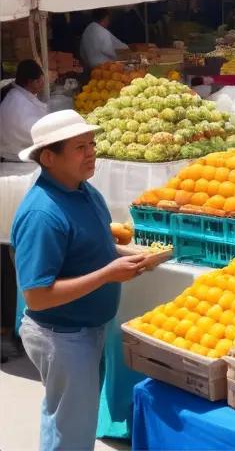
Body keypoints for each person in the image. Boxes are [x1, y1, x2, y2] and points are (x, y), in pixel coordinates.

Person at [12, 110, 151, 451]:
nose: (91, 152)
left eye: (91, 143)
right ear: (49, 157)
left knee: (63, 420)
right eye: (78, 147)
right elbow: (37, 296)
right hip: (62, 337)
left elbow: (90, 250)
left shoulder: (84, 191)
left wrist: (122, 259)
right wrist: (108, 274)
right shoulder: (42, 214)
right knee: (72, 432)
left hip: (86, 329)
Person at [1, 60, 48, 163]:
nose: (42, 84)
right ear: (29, 82)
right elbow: (34, 130)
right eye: (38, 82)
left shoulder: (16, 92)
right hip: (15, 155)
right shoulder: (17, 104)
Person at [78, 8, 128, 76]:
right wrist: (120, 58)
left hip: (91, 68)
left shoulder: (87, 30)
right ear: (106, 18)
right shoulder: (102, 31)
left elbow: (82, 52)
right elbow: (108, 49)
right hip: (105, 69)